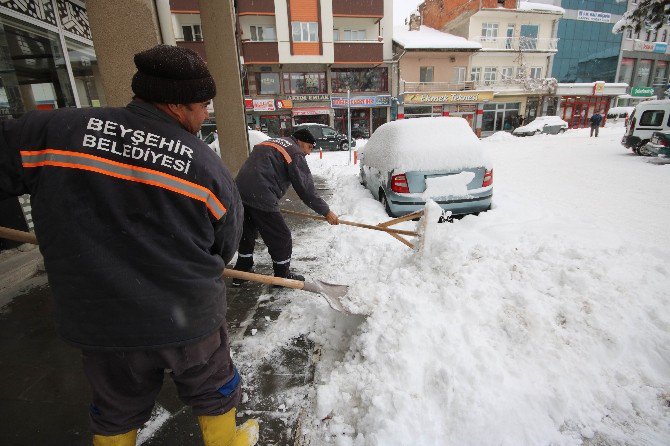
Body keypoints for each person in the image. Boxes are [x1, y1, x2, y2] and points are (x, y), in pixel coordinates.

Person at [0, 45, 258, 446]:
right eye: (202, 105)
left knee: (116, 402)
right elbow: (225, 243)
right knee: (212, 387)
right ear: (175, 104)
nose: (205, 115)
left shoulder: (54, 132)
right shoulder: (204, 165)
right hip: (187, 317)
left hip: (101, 318)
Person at [233, 128, 339, 284]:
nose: (309, 153)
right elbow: (306, 190)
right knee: (281, 236)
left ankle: (242, 271)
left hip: (239, 191)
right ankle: (282, 275)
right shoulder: (294, 152)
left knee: (247, 231)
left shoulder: (270, 141)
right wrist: (326, 212)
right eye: (309, 147)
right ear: (301, 141)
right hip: (262, 193)